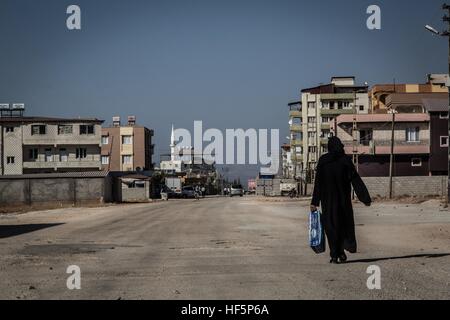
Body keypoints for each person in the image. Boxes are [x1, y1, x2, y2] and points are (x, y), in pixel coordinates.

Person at [310, 136, 372, 264]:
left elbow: (318, 183)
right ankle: (341, 253)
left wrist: (315, 202)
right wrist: (365, 198)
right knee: (343, 226)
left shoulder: (323, 161)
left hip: (328, 202)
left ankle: (334, 255)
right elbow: (355, 180)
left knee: (331, 227)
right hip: (343, 201)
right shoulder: (345, 160)